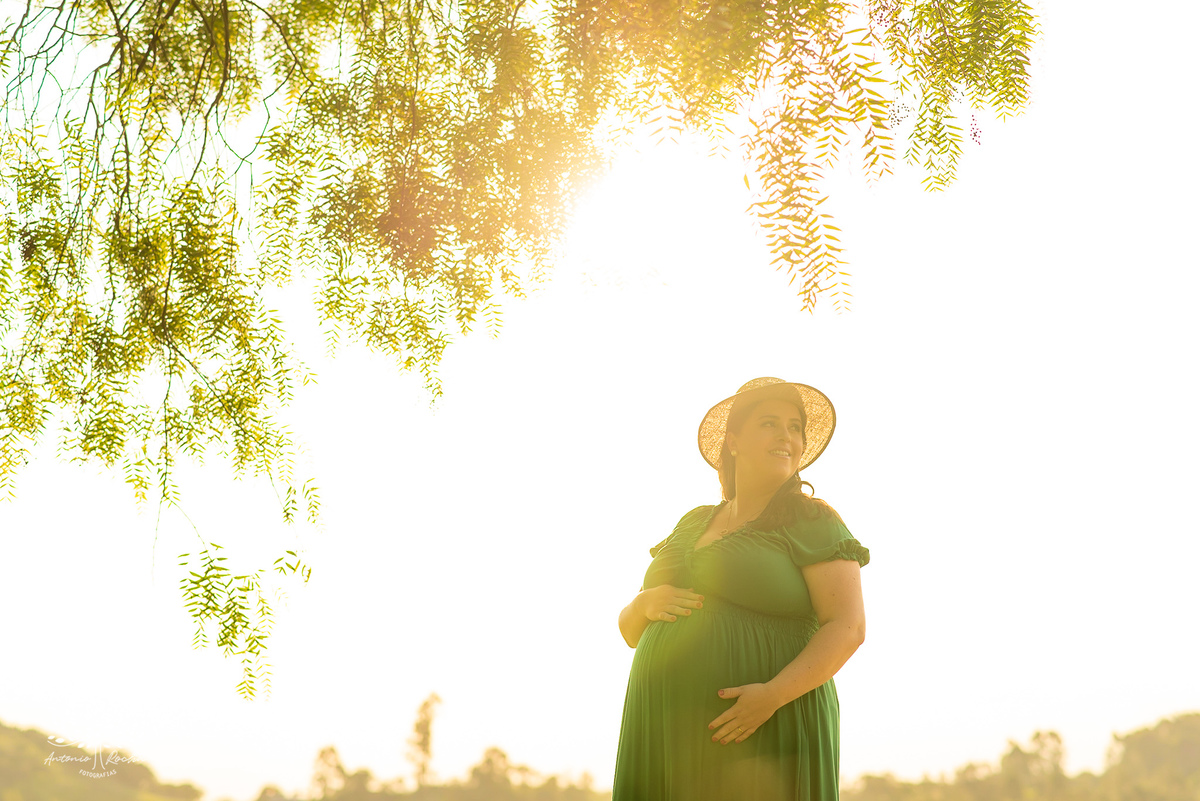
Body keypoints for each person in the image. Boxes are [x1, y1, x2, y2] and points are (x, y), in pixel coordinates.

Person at [612, 377, 870, 801]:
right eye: (770, 423)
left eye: (795, 427)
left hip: (766, 722)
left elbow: (847, 626)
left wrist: (772, 696)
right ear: (733, 442)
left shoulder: (811, 519)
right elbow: (630, 632)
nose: (787, 435)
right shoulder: (693, 521)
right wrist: (642, 603)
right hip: (665, 726)